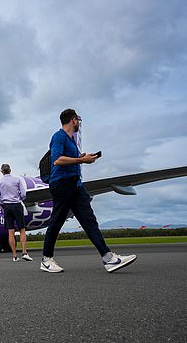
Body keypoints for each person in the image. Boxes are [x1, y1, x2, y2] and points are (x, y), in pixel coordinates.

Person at [41, 108, 136, 273]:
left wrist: (83, 157)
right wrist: (81, 160)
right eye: (78, 119)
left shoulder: (71, 141)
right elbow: (56, 160)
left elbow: (71, 160)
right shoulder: (58, 136)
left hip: (76, 186)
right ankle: (46, 260)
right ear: (73, 120)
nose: (78, 122)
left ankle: (109, 258)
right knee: (56, 221)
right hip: (62, 184)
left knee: (89, 220)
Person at [0, 164, 32, 262]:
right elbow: (24, 194)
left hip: (7, 206)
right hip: (16, 205)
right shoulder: (17, 180)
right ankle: (24, 253)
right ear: (10, 170)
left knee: (10, 232)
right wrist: (19, 199)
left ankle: (15, 256)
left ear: (2, 171)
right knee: (22, 229)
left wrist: (3, 205)